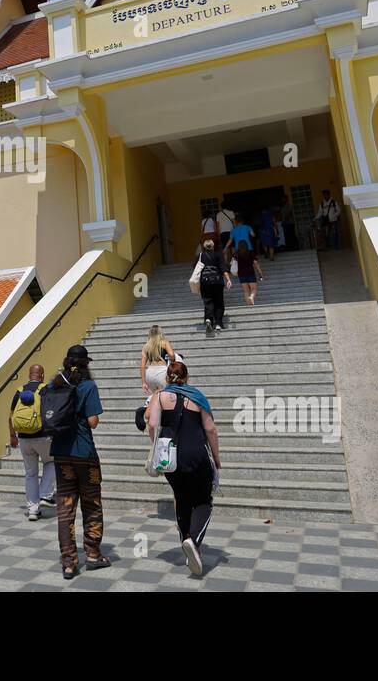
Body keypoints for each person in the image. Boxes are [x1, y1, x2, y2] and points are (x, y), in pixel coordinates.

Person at [145, 360, 221, 575]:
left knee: (182, 498)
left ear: (167, 378)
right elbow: (210, 429)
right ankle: (193, 539)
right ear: (187, 377)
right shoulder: (197, 396)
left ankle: (188, 543)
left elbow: (152, 424)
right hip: (196, 454)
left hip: (170, 458)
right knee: (204, 500)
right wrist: (216, 457)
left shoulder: (159, 396)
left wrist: (156, 446)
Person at [50, 345, 109, 579]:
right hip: (84, 454)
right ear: (86, 364)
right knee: (92, 504)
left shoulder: (56, 384)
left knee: (65, 509)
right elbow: (93, 421)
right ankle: (93, 554)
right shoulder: (88, 386)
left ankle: (68, 563)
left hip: (61, 454)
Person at [9, 364, 56, 521]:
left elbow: (10, 417)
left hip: (23, 437)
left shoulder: (20, 390)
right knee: (51, 463)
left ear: (29, 375)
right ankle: (44, 495)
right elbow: (52, 413)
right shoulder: (46, 388)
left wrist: (12, 436)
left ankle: (33, 510)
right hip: (42, 436)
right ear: (42, 375)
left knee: (30, 474)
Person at [197, 239, 232, 336]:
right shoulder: (218, 255)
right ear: (213, 246)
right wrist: (228, 279)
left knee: (208, 301)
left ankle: (208, 319)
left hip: (205, 282)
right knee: (219, 302)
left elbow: (196, 268)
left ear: (204, 247)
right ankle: (218, 324)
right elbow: (223, 268)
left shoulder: (201, 255)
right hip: (217, 281)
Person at [140, 324, 176, 395]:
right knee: (164, 397)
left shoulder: (146, 346)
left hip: (149, 373)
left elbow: (142, 365)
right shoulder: (164, 342)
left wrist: (144, 382)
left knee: (155, 397)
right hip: (162, 371)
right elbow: (172, 355)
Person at [234, 241, 263, 305]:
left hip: (241, 274)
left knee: (246, 290)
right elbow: (256, 263)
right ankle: (252, 297)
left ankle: (249, 305)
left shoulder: (236, 254)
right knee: (254, 288)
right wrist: (260, 272)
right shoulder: (250, 253)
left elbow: (232, 263)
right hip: (250, 273)